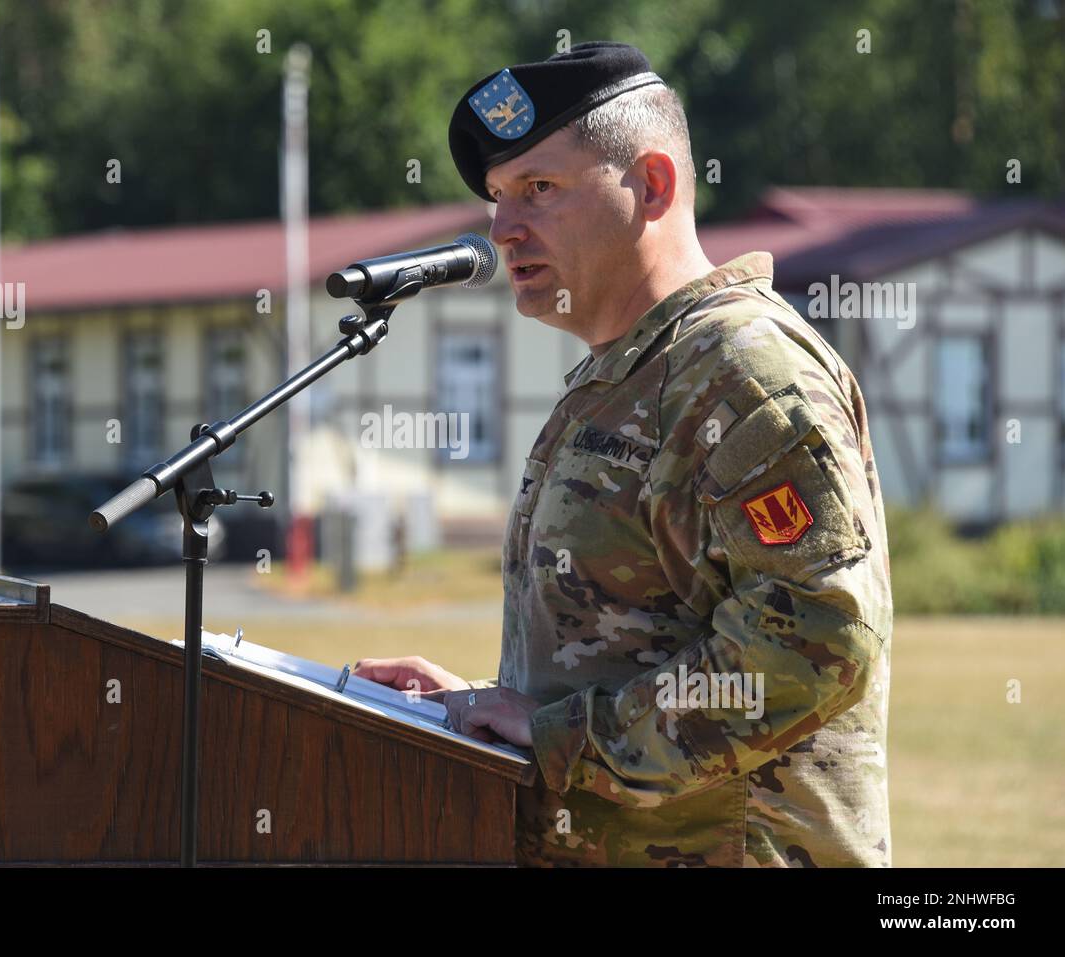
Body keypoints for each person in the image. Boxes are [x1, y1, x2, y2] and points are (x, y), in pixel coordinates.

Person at [355, 41, 892, 867]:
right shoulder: (631, 373)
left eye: (539, 188)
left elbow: (815, 638)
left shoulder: (742, 372)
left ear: (653, 185)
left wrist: (562, 736)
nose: (502, 229)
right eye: (498, 197)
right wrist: (478, 710)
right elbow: (637, 640)